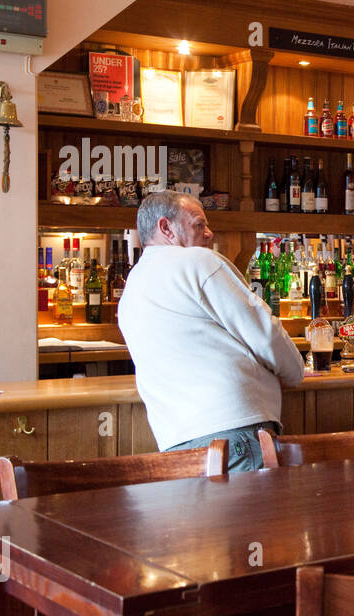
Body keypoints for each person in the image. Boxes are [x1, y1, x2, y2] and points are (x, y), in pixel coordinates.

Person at [117, 191, 303, 471]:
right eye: (198, 224)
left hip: (177, 445)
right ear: (166, 228)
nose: (209, 233)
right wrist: (295, 372)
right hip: (235, 434)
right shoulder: (198, 261)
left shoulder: (132, 288)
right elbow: (265, 333)